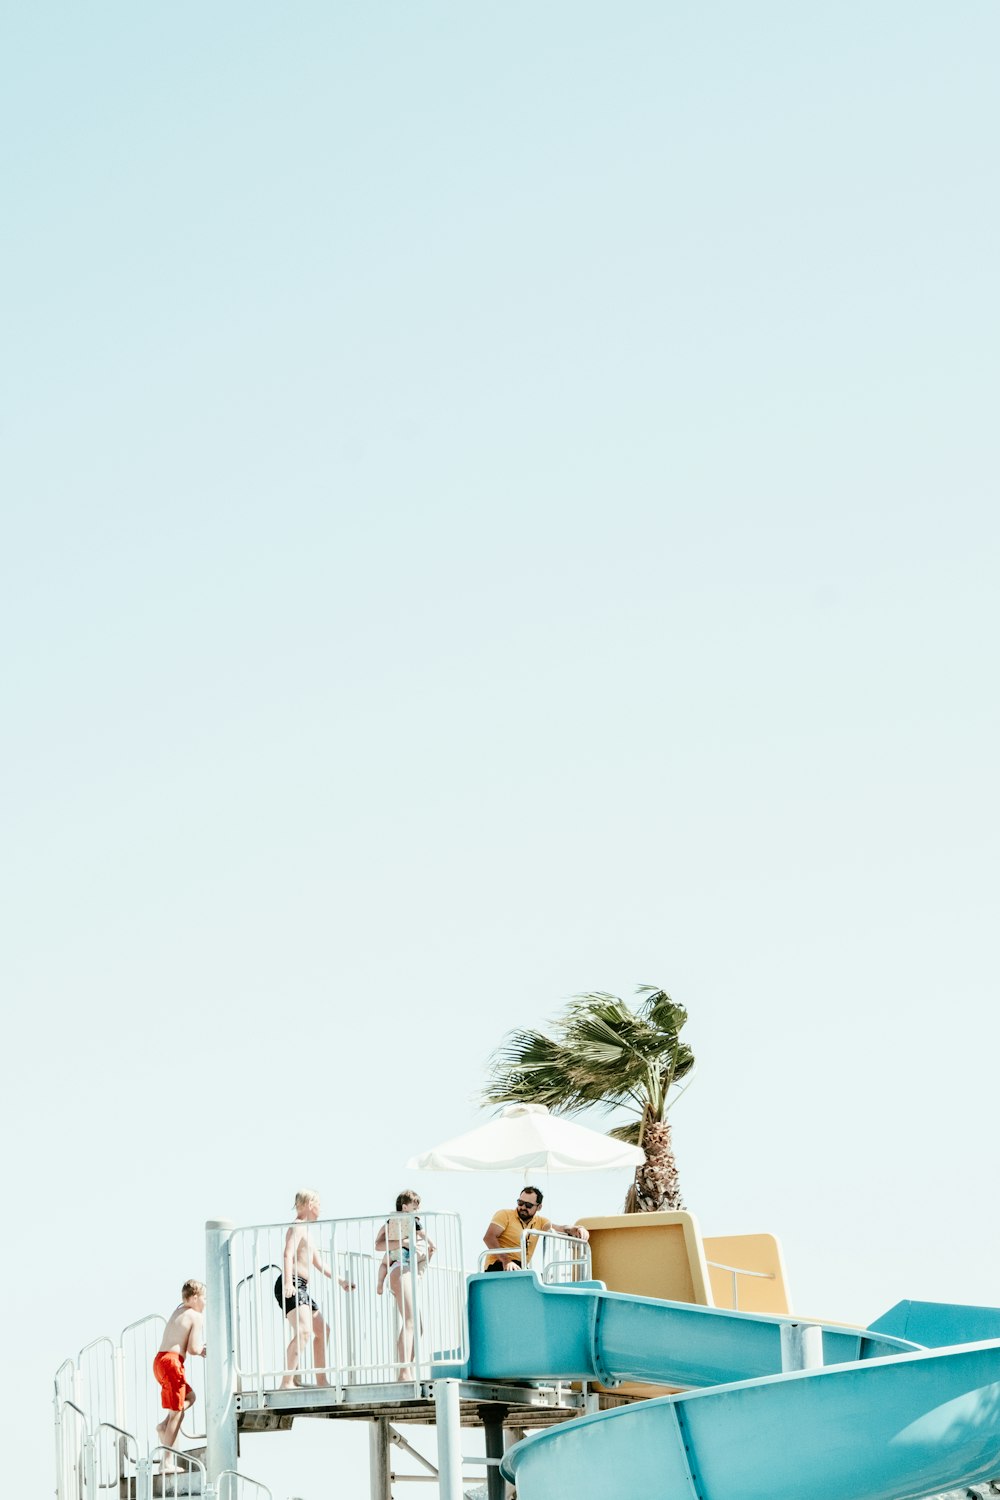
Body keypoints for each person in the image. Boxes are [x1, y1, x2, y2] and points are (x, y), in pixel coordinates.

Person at [273, 1190, 355, 1390]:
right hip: (291, 1282)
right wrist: (288, 1284)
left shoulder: (307, 1232)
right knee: (303, 1331)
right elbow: (287, 1253)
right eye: (319, 1204)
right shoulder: (298, 1226)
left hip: (301, 1286)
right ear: (310, 1204)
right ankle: (286, 1382)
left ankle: (321, 1380)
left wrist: (341, 1280)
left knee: (322, 1330)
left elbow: (319, 1264)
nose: (321, 1209)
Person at [374, 1190, 435, 1380]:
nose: (418, 1210)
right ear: (405, 1207)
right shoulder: (396, 1224)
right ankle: (404, 1372)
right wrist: (406, 1242)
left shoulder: (414, 1227)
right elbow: (378, 1245)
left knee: (418, 1325)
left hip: (407, 1270)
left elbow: (424, 1250)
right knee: (410, 1321)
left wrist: (428, 1248)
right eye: (415, 1207)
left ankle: (406, 1369)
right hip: (399, 1269)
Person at [153, 1280, 206, 1470]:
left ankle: (164, 1426)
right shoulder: (196, 1316)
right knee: (178, 1411)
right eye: (204, 1298)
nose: (206, 1303)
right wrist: (202, 1351)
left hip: (160, 1361)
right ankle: (166, 1462)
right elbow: (193, 1348)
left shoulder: (179, 1310)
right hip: (173, 1363)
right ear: (194, 1298)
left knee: (190, 1397)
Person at [482, 1185, 588, 1271]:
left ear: (539, 1207)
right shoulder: (505, 1215)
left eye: (528, 1205)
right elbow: (489, 1237)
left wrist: (578, 1229)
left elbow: (560, 1228)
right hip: (498, 1265)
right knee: (528, 1275)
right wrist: (506, 1261)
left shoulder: (540, 1222)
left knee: (541, 1280)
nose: (523, 1207)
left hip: (520, 1268)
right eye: (520, 1202)